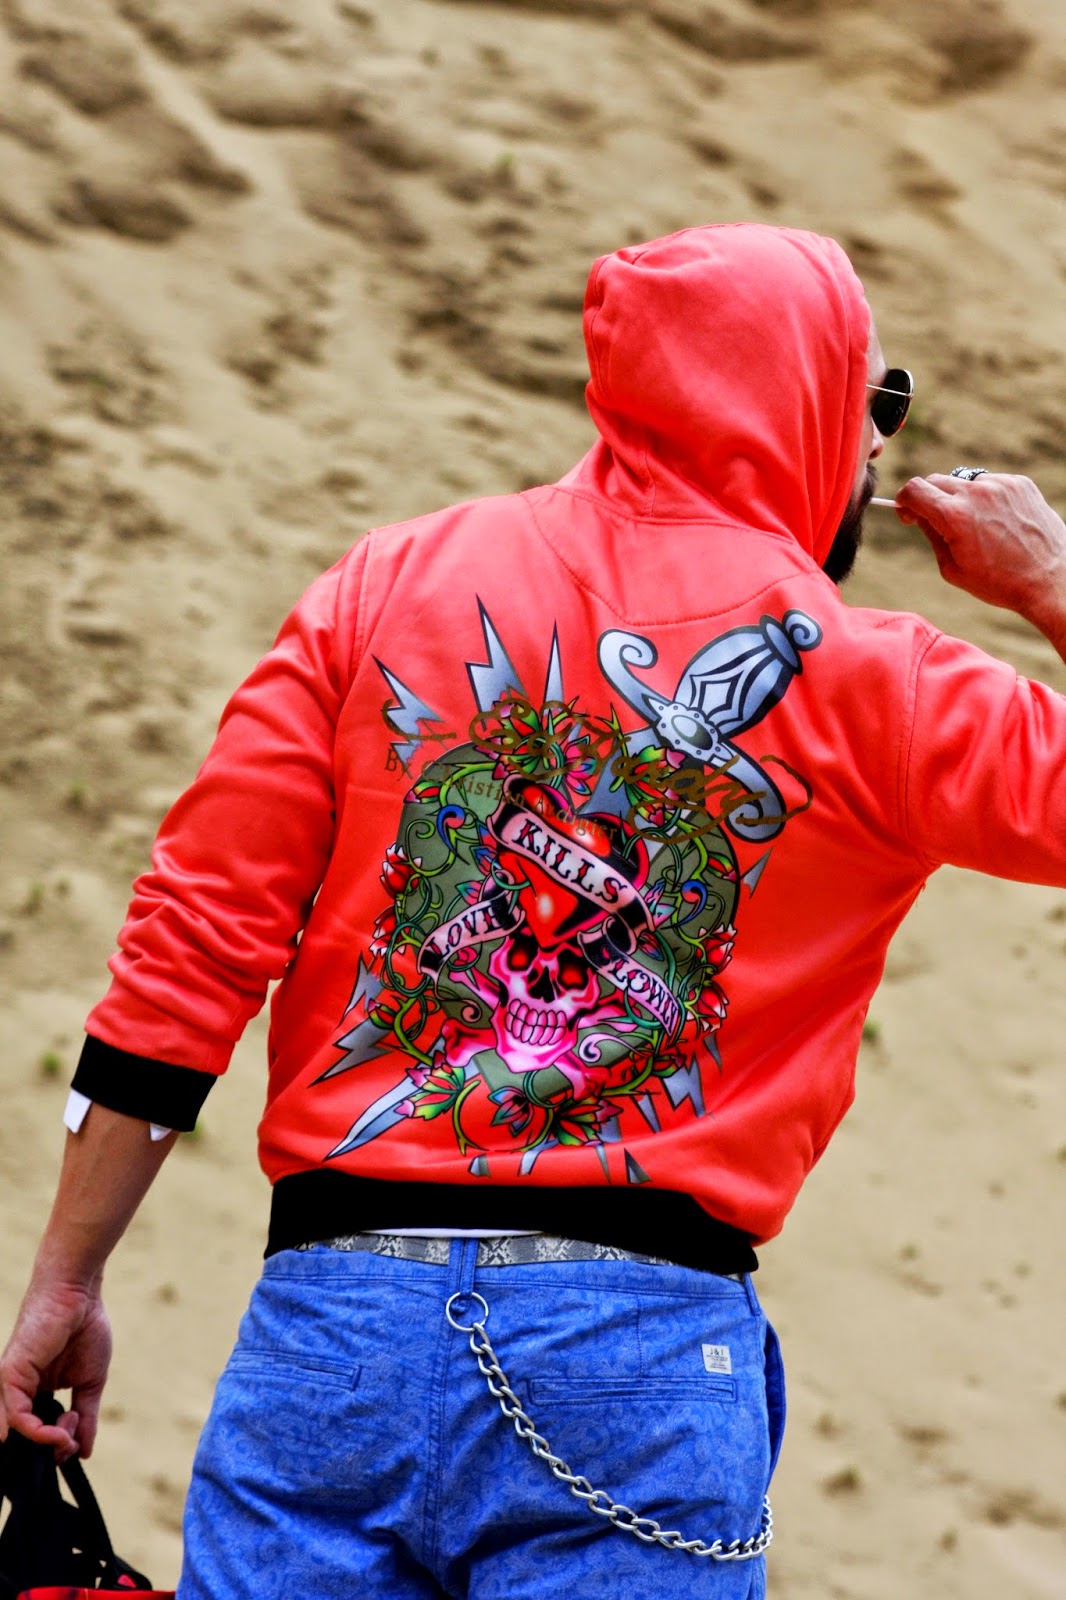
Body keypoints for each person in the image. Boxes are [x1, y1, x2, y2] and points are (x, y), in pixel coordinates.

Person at [2, 223, 1065, 1600]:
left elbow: (193, 945)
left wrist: (68, 1277)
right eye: (876, 399)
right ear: (807, 403)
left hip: (332, 1330)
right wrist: (1048, 580)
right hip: (635, 1357)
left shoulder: (382, 586)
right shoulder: (883, 684)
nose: (874, 445)